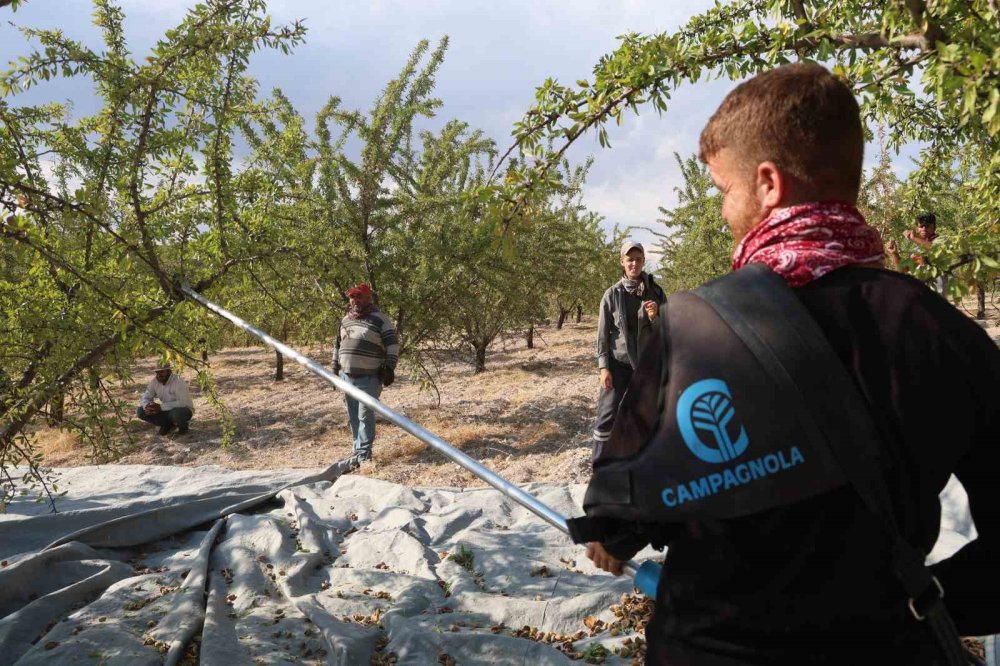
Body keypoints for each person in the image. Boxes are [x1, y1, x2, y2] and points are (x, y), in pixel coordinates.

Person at [575, 64, 999, 665]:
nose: (723, 211)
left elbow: (621, 507)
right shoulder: (931, 327)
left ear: (768, 183)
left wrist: (612, 535)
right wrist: (928, 603)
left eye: (725, 189)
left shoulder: (693, 329)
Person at [592, 241, 666, 461]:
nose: (634, 263)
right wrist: (604, 368)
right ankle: (600, 464)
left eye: (639, 259)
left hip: (646, 365)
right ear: (622, 262)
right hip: (619, 364)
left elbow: (668, 329)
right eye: (630, 259)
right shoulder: (611, 295)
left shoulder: (655, 292)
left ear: (644, 261)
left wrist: (656, 317)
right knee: (608, 414)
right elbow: (603, 335)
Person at [332, 283, 399, 464]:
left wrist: (390, 367)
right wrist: (334, 366)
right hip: (347, 376)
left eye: (359, 296)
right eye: (352, 297)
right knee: (353, 415)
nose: (355, 300)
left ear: (368, 298)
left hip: (370, 377)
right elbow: (338, 344)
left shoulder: (380, 319)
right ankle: (357, 450)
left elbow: (392, 344)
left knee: (365, 414)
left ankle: (364, 453)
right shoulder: (346, 319)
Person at [887, 212, 948, 292]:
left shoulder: (941, 240)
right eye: (921, 226)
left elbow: (935, 248)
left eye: (927, 226)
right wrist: (894, 254)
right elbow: (903, 269)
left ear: (934, 227)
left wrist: (914, 238)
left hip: (937, 290)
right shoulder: (917, 249)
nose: (924, 229)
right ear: (916, 228)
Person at [136, 363, 194, 435]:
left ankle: (183, 429)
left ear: (169, 371)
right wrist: (147, 406)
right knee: (141, 411)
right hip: (166, 410)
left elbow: (182, 403)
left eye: (161, 372)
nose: (159, 375)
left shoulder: (178, 382)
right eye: (157, 372)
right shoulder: (154, 382)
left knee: (176, 413)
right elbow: (146, 397)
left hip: (184, 410)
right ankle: (167, 425)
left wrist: (160, 407)